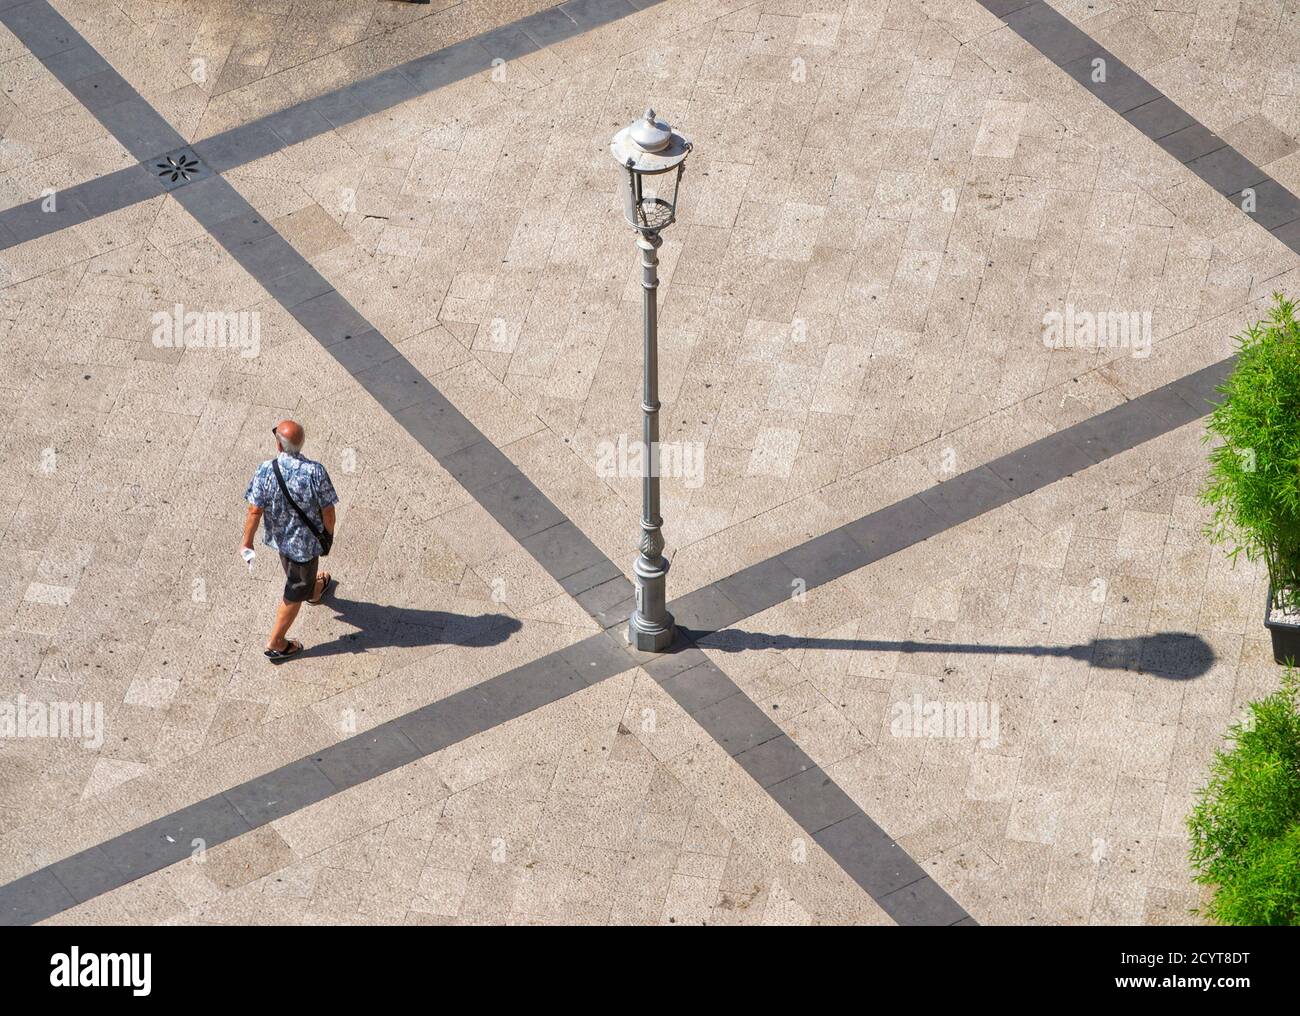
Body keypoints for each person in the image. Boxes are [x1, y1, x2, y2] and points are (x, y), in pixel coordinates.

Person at [241, 420, 338, 661]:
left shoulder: (265, 470)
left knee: (298, 575)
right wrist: (328, 534)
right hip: (305, 545)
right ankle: (276, 642)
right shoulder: (315, 472)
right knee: (295, 589)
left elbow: (255, 510)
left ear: (279, 444)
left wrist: (247, 541)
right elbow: (328, 512)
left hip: (280, 539)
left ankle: (313, 591)